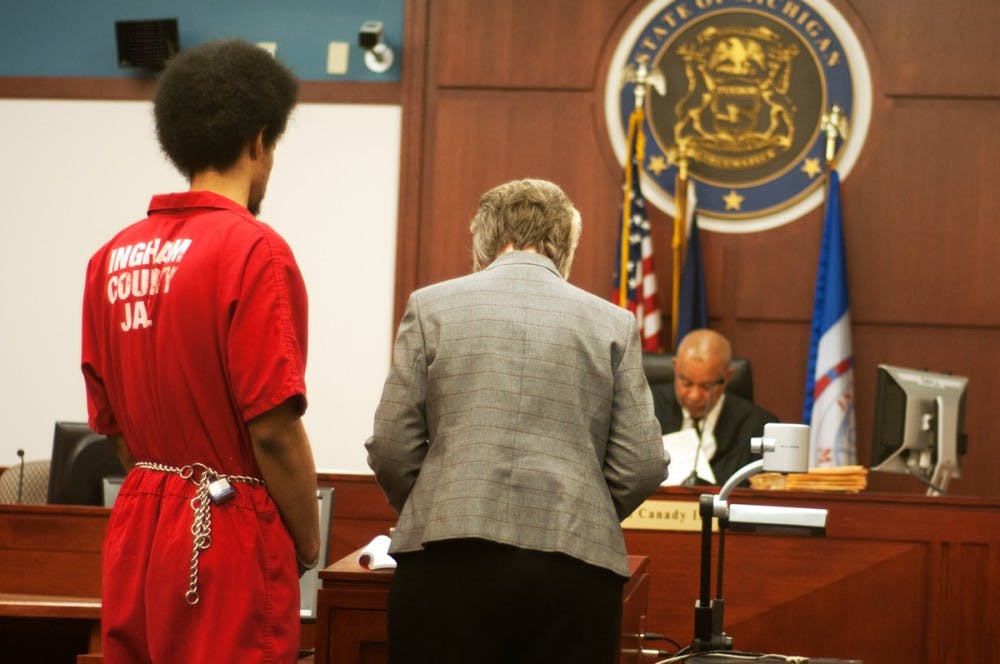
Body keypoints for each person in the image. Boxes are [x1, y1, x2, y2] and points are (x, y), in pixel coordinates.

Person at [80, 39, 319, 663]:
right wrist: (309, 541)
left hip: (139, 524)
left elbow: (114, 430)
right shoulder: (253, 251)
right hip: (226, 527)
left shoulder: (110, 259)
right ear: (259, 140)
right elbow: (272, 428)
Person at [365, 178, 669, 664]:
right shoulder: (613, 323)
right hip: (574, 570)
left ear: (483, 240)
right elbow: (644, 461)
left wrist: (438, 501)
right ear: (565, 245)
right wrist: (580, 507)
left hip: (446, 561)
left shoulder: (431, 307)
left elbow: (391, 445)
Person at [650, 328, 778, 485]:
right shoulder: (647, 410)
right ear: (675, 367)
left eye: (706, 386)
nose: (694, 396)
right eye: (686, 383)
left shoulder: (757, 427)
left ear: (727, 377)